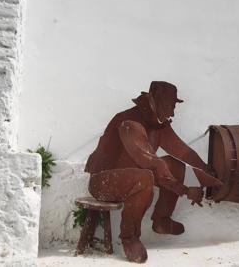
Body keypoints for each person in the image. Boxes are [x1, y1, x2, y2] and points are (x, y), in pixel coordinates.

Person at [85, 81, 221, 263]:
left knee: (173, 164)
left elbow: (183, 152)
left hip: (137, 174)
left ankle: (161, 219)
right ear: (155, 100)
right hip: (103, 181)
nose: (172, 112)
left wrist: (205, 173)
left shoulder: (158, 124)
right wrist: (185, 189)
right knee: (146, 176)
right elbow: (149, 162)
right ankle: (129, 238)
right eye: (170, 106)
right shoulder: (129, 122)